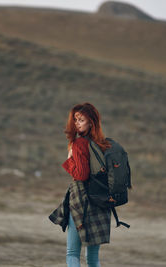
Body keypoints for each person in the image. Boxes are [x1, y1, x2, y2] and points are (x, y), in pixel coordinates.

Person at [49, 102, 112, 267]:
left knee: (72, 254)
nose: (77, 123)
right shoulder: (102, 144)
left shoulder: (79, 144)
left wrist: (70, 160)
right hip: (101, 202)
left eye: (81, 120)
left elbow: (81, 175)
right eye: (75, 119)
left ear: (91, 122)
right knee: (93, 258)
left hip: (82, 203)